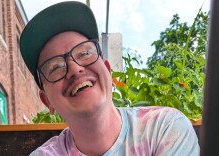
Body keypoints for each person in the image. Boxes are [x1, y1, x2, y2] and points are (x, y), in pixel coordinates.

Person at [20, 1, 199, 155]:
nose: (74, 68)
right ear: (46, 101)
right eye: (56, 67)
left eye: (84, 53)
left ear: (108, 71)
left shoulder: (163, 128)